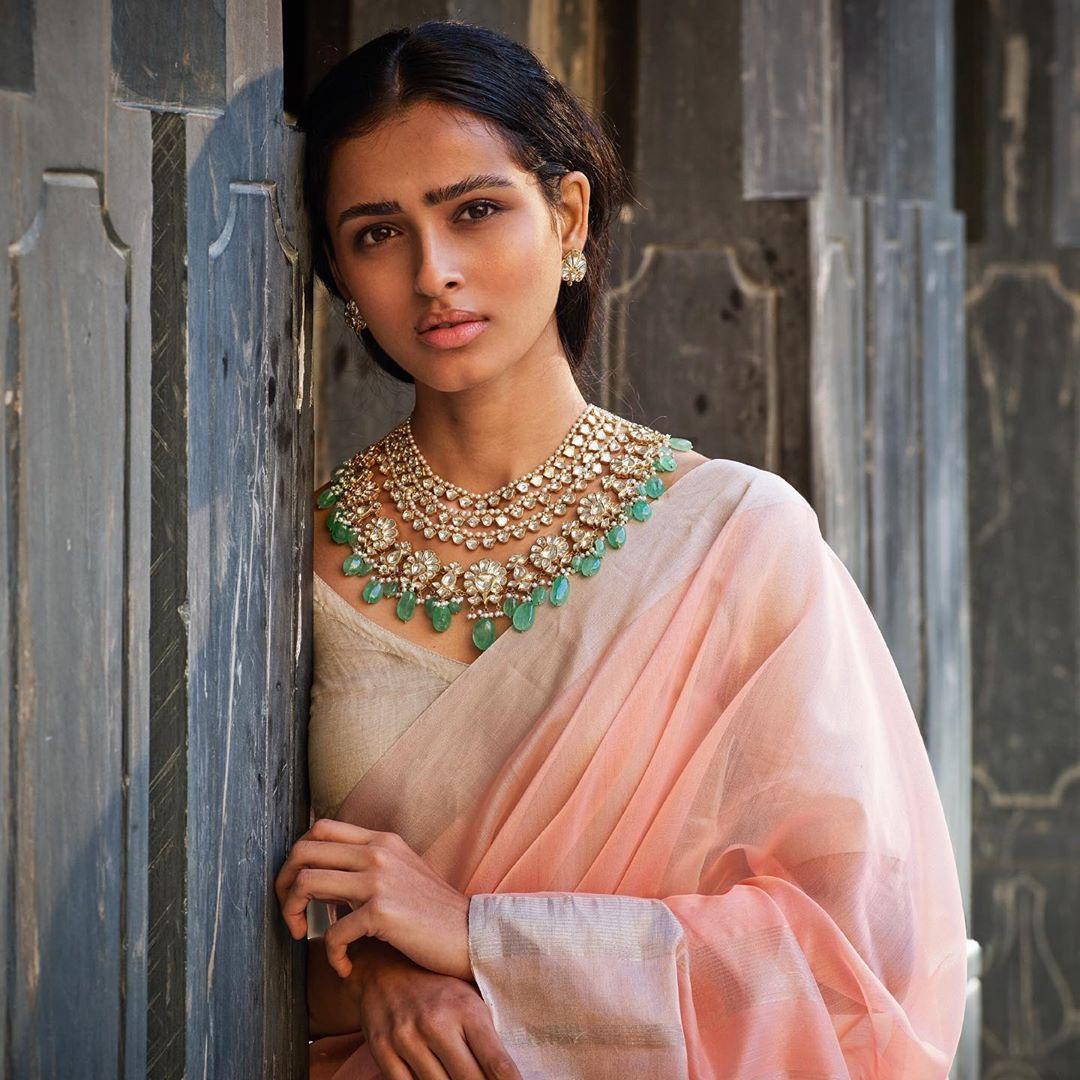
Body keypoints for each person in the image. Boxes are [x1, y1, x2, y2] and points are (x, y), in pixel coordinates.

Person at [274, 19, 969, 1080]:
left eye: (476, 211)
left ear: (568, 216)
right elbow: (240, 923)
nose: (435, 272)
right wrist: (381, 976)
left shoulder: (736, 539)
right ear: (337, 268)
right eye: (377, 232)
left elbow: (856, 957)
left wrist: (476, 940)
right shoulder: (293, 565)